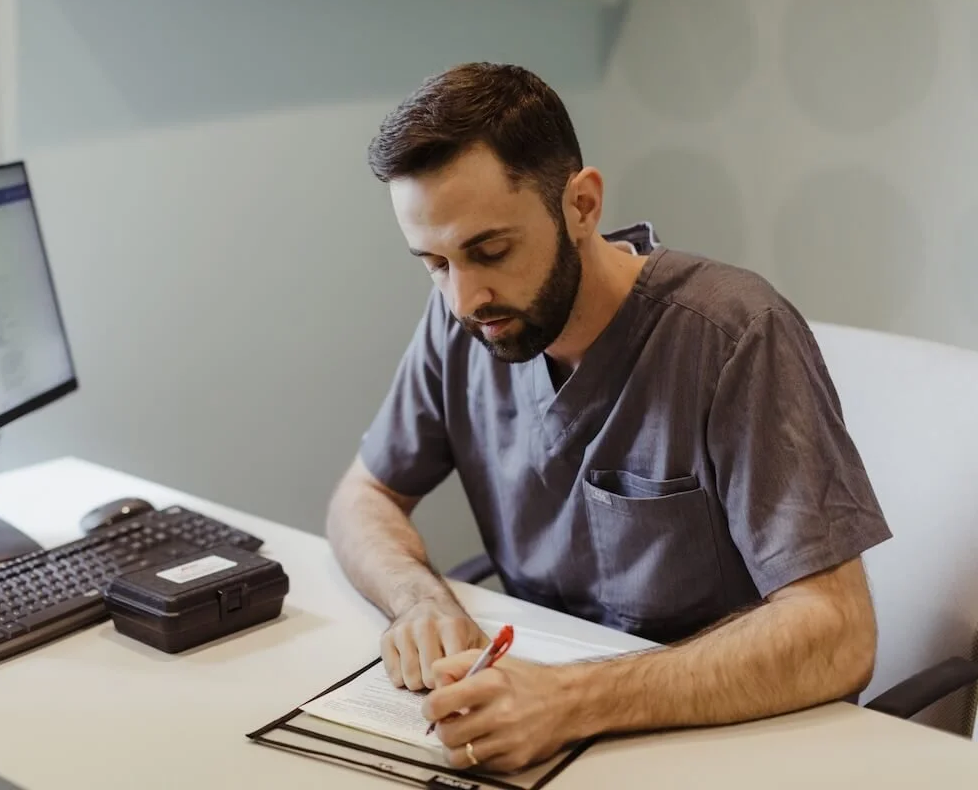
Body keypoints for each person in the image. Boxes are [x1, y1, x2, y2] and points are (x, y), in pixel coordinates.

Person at [324, 62, 893, 774]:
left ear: (582, 206)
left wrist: (570, 700)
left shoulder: (733, 336)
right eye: (434, 264)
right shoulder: (466, 324)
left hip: (727, 745)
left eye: (489, 250)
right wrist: (418, 602)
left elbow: (837, 633)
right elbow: (363, 497)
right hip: (540, 733)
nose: (464, 298)